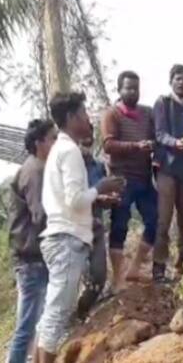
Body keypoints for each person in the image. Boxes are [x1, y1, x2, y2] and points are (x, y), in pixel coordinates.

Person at [36, 92, 124, 363]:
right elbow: (75, 200)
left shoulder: (59, 150)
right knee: (56, 317)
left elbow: (65, 198)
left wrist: (96, 193)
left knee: (51, 316)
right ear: (72, 118)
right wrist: (99, 188)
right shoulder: (70, 151)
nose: (89, 120)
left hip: (60, 238)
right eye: (85, 114)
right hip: (67, 241)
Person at [101, 70, 158, 290]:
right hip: (121, 179)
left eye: (136, 87)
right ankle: (118, 277)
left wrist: (151, 144)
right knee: (119, 227)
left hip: (143, 178)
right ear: (119, 89)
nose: (133, 91)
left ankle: (134, 268)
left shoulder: (147, 113)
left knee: (156, 219)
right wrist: (136, 146)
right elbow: (108, 145)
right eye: (128, 87)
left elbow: (156, 135)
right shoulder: (112, 114)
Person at [7, 119, 57, 363]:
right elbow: (40, 215)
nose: (56, 143)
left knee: (36, 321)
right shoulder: (36, 170)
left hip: (33, 256)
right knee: (27, 326)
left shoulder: (36, 167)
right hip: (31, 258)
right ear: (39, 143)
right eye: (53, 139)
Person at [152, 64, 183, 283]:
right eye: (178, 78)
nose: (182, 82)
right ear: (171, 81)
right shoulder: (163, 102)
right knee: (164, 219)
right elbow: (159, 134)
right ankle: (159, 268)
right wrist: (175, 143)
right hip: (167, 169)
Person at [75, 126, 114, 320]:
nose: (86, 146)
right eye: (83, 142)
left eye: (89, 141)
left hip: (96, 226)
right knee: (78, 278)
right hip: (75, 230)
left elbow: (103, 193)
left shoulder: (98, 167)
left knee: (99, 276)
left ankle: (82, 310)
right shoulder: (70, 168)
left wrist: (109, 199)